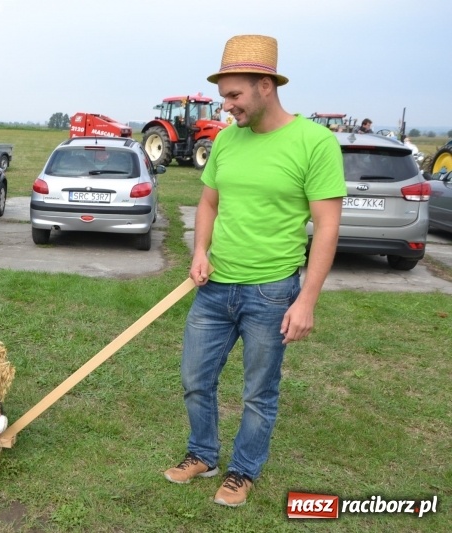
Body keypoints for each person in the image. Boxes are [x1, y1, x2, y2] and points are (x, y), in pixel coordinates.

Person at [163, 34, 346, 508]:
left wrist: (306, 299)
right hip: (214, 288)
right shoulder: (226, 141)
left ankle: (242, 471)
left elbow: (327, 227)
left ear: (265, 86)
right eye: (224, 95)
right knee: (194, 379)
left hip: (271, 292)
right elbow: (208, 201)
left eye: (234, 95)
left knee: (258, 392)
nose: (227, 107)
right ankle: (203, 454)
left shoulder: (314, 143)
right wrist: (200, 250)